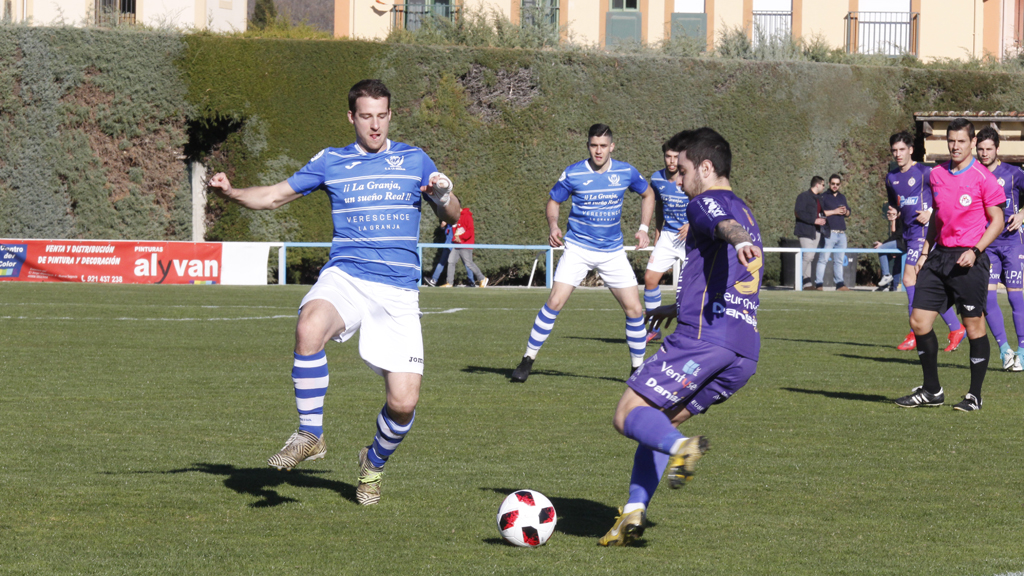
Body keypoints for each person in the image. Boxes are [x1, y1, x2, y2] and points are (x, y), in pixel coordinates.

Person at [207, 79, 462, 505]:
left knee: (403, 403)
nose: (375, 125)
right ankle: (310, 433)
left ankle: (373, 463)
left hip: (398, 291)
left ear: (390, 115)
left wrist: (442, 194)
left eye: (382, 116)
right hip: (347, 276)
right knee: (309, 325)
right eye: (366, 116)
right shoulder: (332, 162)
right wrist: (231, 192)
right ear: (351, 117)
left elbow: (452, 213)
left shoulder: (414, 160)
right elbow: (273, 196)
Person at [598, 127, 761, 546]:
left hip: (705, 340)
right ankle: (633, 513)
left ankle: (683, 449)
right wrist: (679, 305)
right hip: (742, 351)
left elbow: (720, 225)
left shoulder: (706, 203)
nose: (678, 179)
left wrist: (736, 237)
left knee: (626, 415)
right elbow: (726, 266)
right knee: (659, 420)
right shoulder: (746, 210)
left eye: (684, 169)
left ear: (706, 168)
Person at [510, 123, 655, 382]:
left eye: (603, 146)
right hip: (578, 248)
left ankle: (637, 370)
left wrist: (644, 228)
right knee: (554, 302)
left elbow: (648, 194)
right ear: (588, 146)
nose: (598, 151)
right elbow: (554, 201)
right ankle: (527, 360)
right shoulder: (574, 173)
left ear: (612, 146)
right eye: (593, 146)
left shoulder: (626, 171)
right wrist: (554, 225)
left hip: (612, 252)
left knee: (634, 310)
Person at [895, 118, 1005, 412]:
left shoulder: (984, 179)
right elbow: (937, 219)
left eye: (961, 141)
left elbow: (997, 221)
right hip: (938, 256)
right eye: (951, 141)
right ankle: (932, 390)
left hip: (969, 260)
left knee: (973, 327)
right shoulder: (937, 174)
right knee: (919, 321)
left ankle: (974, 395)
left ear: (972, 143)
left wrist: (976, 249)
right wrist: (924, 254)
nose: (955, 146)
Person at [885, 131, 966, 352]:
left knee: (909, 279)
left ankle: (915, 334)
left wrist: (931, 211)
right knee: (926, 285)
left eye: (902, 150)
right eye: (894, 151)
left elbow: (946, 193)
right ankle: (955, 327)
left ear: (911, 150)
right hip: (909, 233)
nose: (898, 154)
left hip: (925, 232)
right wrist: (893, 213)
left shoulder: (925, 172)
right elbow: (896, 204)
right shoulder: (891, 177)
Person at [975, 126, 1024, 371]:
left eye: (988, 149)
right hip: (986, 245)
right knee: (988, 298)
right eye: (980, 149)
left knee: (1016, 296)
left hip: (1012, 242)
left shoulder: (1014, 173)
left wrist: (1023, 213)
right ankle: (1005, 351)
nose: (984, 153)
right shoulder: (972, 174)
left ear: (997, 149)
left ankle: (1023, 352)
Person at [643, 141, 690, 343]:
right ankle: (654, 329)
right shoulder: (656, 178)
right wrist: (657, 235)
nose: (671, 161)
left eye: (675, 157)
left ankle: (691, 331)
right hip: (668, 236)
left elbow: (703, 202)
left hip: (692, 237)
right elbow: (659, 208)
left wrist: (692, 224)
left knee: (692, 287)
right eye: (668, 156)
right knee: (649, 279)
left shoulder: (690, 177)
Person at [814, 174, 852, 291]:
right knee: (823, 259)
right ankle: (819, 284)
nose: (835, 186)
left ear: (840, 185)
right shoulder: (824, 196)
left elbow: (849, 212)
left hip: (841, 233)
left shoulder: (842, 197)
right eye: (833, 184)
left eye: (837, 184)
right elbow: (820, 213)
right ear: (829, 184)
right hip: (829, 232)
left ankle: (839, 284)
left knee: (839, 260)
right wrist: (835, 211)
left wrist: (846, 212)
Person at [443, 206, 488, 288]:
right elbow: (454, 230)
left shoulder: (467, 216)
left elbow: (470, 231)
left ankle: (482, 278)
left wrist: (461, 238)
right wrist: (455, 238)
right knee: (451, 261)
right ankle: (449, 283)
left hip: (466, 244)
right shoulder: (456, 217)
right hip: (457, 244)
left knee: (469, 263)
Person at [794, 176, 826, 288]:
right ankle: (797, 281)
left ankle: (807, 283)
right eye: (823, 184)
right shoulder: (803, 196)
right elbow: (798, 213)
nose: (824, 187)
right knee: (808, 256)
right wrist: (814, 220)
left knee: (810, 257)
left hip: (816, 231)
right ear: (817, 184)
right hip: (805, 230)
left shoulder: (820, 198)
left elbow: (820, 213)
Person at [423, 222, 474, 287]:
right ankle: (434, 280)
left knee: (466, 263)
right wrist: (443, 226)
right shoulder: (449, 219)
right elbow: (446, 230)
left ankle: (471, 281)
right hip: (449, 243)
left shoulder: (459, 217)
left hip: (456, 243)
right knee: (442, 262)